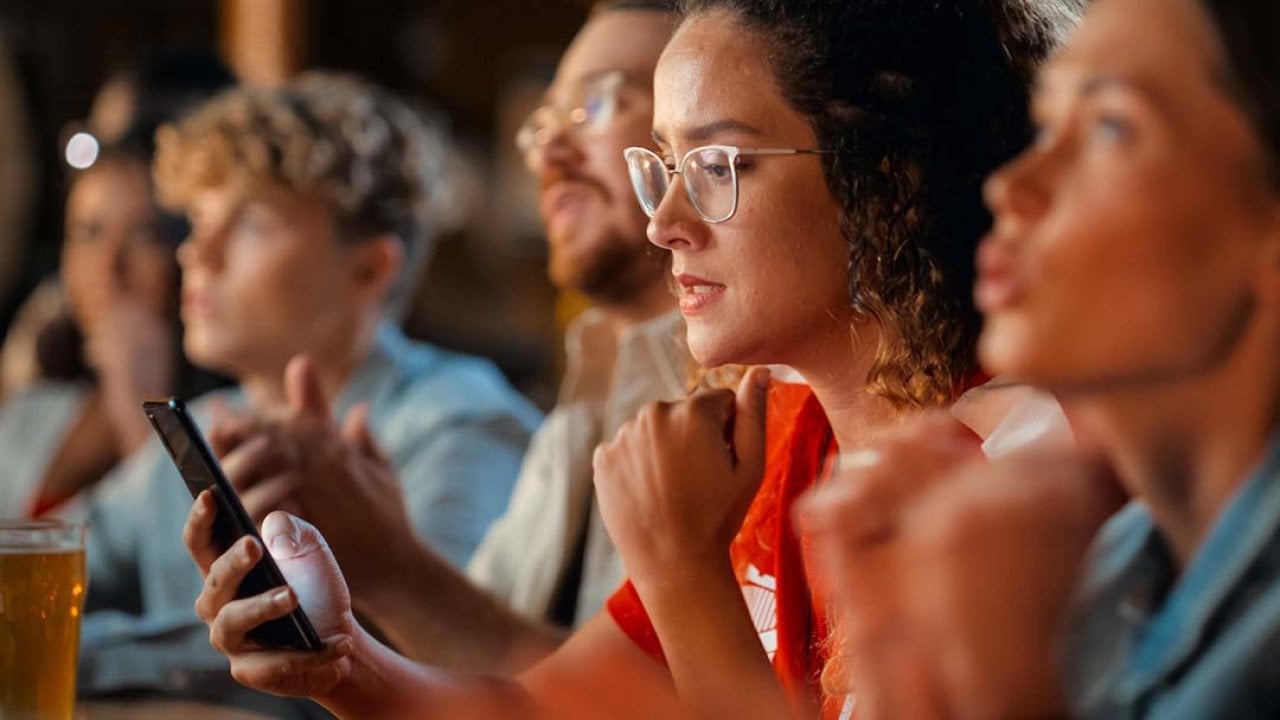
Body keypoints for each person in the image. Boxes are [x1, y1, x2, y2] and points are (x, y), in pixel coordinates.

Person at [182, 0, 1076, 717]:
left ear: (887, 177)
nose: (664, 224)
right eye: (664, 167)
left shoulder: (1021, 462)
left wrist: (682, 568)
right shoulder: (778, 433)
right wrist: (343, 664)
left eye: (718, 165)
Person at [802, 0, 1280, 717]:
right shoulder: (1113, 562)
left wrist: (1005, 683)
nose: (1013, 187)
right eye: (1050, 128)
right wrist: (891, 647)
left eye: (1112, 128)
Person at [199, 0, 688, 679]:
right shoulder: (578, 414)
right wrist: (329, 620)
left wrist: (389, 569)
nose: (547, 152)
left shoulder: (740, 405)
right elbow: (483, 689)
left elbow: (634, 701)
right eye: (543, 122)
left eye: (596, 105)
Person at [75, 72, 542, 713]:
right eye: (200, 218)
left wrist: (64, 649)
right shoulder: (208, 424)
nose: (197, 253)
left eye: (253, 222)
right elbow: (51, 559)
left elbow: (419, 669)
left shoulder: (460, 423)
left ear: (370, 268)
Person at [0, 125, 225, 520]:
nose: (109, 265)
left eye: (144, 235)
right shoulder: (30, 411)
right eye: (89, 232)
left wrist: (139, 405)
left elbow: (190, 548)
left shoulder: (225, 420)